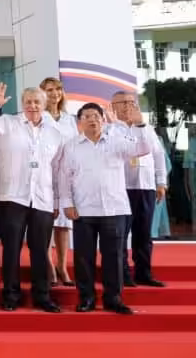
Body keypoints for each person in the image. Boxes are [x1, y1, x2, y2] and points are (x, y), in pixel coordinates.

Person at [0, 84, 65, 313]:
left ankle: (42, 296)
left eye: (37, 102)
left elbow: (57, 170)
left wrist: (56, 201)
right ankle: (11, 295)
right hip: (12, 197)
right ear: (22, 104)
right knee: (11, 249)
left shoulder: (55, 132)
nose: (32, 106)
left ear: (44, 105)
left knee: (40, 250)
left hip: (42, 198)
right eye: (28, 102)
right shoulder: (8, 123)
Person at [59, 102, 151, 314]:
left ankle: (114, 299)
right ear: (80, 122)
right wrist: (67, 203)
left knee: (115, 256)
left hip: (114, 209)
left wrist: (139, 125)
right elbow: (64, 178)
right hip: (83, 210)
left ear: (103, 119)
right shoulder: (71, 146)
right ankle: (87, 299)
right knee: (83, 258)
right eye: (87, 116)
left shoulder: (116, 141)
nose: (92, 119)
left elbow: (143, 148)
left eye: (96, 116)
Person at [108, 91, 168, 287]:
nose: (128, 106)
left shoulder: (147, 128)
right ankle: (122, 274)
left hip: (146, 187)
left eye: (131, 102)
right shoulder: (110, 130)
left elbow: (158, 156)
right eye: (122, 103)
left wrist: (161, 182)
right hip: (122, 187)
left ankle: (144, 272)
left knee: (143, 233)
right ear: (113, 106)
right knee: (121, 234)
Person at [40, 76, 78, 286]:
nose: (54, 94)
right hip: (44, 175)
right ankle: (47, 265)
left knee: (63, 225)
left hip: (64, 176)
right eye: (49, 90)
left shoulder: (69, 119)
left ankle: (62, 266)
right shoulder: (39, 117)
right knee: (45, 222)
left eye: (58, 90)